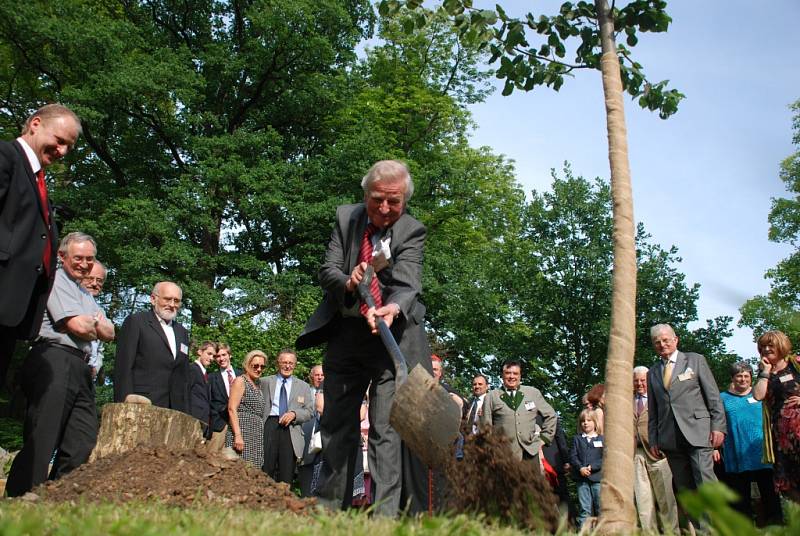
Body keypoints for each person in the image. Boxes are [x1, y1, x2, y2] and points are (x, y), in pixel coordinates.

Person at [296, 160, 433, 515]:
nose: (385, 210)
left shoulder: (412, 231)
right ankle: (329, 512)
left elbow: (408, 284)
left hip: (391, 340)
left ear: (404, 201)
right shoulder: (346, 219)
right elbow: (328, 270)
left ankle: (384, 518)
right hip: (347, 335)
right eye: (377, 200)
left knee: (386, 431)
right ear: (365, 195)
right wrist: (349, 281)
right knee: (337, 426)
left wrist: (392, 309)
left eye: (394, 202)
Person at [6, 232, 114, 497]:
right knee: (44, 433)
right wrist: (94, 325)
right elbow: (78, 326)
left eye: (90, 259)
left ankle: (58, 497)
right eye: (78, 258)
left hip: (82, 367)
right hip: (54, 358)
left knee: (83, 438)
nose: (84, 264)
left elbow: (110, 332)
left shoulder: (84, 292)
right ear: (62, 256)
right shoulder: (56, 281)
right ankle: (21, 496)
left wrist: (94, 326)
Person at [0, 104, 81, 388]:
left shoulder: (40, 184)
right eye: (60, 141)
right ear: (35, 124)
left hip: (12, 311)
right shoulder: (6, 156)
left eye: (68, 146)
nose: (62, 151)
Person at [647, 324, 726, 494]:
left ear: (675, 340)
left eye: (666, 340)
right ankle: (699, 522)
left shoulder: (695, 360)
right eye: (657, 342)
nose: (662, 344)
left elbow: (713, 397)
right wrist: (653, 439)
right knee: (686, 490)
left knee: (705, 481)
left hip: (699, 432)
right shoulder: (652, 372)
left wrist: (718, 427)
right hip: (670, 438)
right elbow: (653, 411)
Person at [720, 361, 783, 524]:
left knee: (770, 495)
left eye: (746, 376)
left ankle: (777, 528)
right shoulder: (722, 398)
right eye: (739, 376)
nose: (743, 379)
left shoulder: (761, 394)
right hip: (737, 453)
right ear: (732, 378)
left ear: (751, 377)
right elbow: (716, 423)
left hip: (762, 453)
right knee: (741, 500)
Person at [113, 281, 191, 412]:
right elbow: (124, 366)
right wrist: (124, 403)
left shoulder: (182, 332)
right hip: (141, 404)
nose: (172, 304)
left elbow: (183, 375)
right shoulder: (136, 322)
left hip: (175, 409)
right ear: (153, 299)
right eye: (167, 299)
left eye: (176, 301)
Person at [479, 359, 557, 467]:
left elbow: (551, 416)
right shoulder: (491, 397)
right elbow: (485, 427)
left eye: (515, 373)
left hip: (530, 453)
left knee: (531, 484)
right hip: (503, 455)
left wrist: (544, 438)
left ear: (520, 376)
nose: (511, 376)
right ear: (502, 375)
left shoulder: (533, 393)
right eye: (508, 373)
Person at [753, 330, 800, 503]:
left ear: (781, 345)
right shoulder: (765, 372)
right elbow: (758, 396)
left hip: (799, 431)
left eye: (770, 345)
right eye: (762, 346)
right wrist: (765, 372)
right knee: (787, 484)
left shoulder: (796, 364)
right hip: (780, 438)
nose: (765, 349)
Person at [632, 366, 679, 534]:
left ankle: (671, 532)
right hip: (636, 454)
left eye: (643, 380)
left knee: (666, 498)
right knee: (643, 499)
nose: (639, 384)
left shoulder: (659, 397)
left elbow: (669, 422)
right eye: (636, 380)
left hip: (659, 454)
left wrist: (666, 446)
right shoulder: (628, 401)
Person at [260, 348, 313, 484]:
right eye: (284, 362)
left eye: (291, 363)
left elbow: (309, 411)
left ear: (295, 365)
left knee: (287, 471)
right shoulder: (264, 382)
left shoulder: (303, 386)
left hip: (291, 430)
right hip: (269, 426)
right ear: (278, 363)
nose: (287, 366)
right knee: (266, 468)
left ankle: (283, 502)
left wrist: (294, 414)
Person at [227, 350, 267, 467]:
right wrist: (238, 435)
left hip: (255, 435)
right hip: (242, 432)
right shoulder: (240, 381)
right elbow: (232, 409)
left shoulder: (258, 384)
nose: (259, 369)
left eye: (262, 366)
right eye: (255, 366)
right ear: (247, 365)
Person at [570, 409, 603, 529]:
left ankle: (602, 531)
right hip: (581, 479)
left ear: (595, 422)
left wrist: (592, 467)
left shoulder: (601, 439)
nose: (585, 423)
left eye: (589, 420)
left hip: (597, 479)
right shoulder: (577, 439)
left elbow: (604, 458)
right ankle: (584, 531)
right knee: (584, 509)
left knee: (600, 507)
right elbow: (573, 456)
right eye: (583, 421)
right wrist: (580, 468)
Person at [79, 261, 108, 380]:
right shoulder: (70, 303)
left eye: (99, 280)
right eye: (90, 279)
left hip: (88, 377)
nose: (95, 284)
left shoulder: (101, 312)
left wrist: (96, 367)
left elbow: (100, 348)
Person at [208, 343, 240, 449]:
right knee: (213, 458)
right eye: (218, 356)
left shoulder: (242, 375)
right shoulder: (211, 378)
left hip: (240, 423)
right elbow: (208, 401)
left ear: (229, 355)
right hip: (220, 425)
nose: (221, 359)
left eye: (224, 355)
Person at [299, 364, 324, 497]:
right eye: (317, 375)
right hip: (307, 439)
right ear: (311, 376)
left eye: (322, 375)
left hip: (325, 438)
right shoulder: (304, 391)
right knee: (306, 473)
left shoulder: (331, 391)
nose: (319, 377)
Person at [189, 341, 216, 437]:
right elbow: (185, 394)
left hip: (204, 422)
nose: (211, 358)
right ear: (200, 352)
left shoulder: (205, 374)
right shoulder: (192, 369)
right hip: (193, 420)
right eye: (209, 354)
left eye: (213, 356)